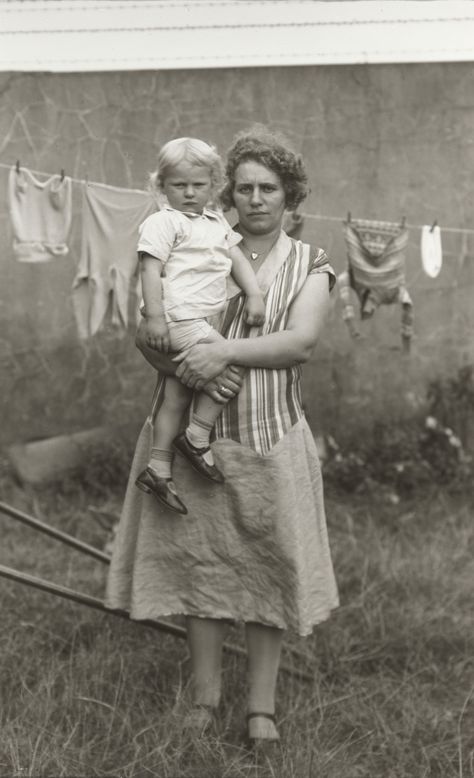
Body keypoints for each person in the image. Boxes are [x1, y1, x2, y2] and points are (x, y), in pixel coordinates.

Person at [106, 126, 339, 747]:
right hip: (190, 437)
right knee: (199, 567)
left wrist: (222, 352)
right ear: (226, 194)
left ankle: (260, 706)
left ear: (291, 194)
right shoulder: (192, 242)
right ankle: (204, 696)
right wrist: (181, 360)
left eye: (269, 188)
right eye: (244, 188)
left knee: (269, 568)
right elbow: (148, 333)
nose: (256, 198)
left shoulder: (311, 262)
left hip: (271, 435)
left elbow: (300, 342)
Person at [135, 137, 265, 515]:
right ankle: (196, 437)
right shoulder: (163, 221)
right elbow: (149, 269)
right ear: (162, 186)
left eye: (199, 185)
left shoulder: (214, 222)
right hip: (178, 317)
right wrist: (155, 317)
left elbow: (235, 256)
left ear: (213, 185)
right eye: (179, 185)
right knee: (230, 360)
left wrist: (253, 294)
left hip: (200, 317)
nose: (190, 193)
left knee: (177, 393)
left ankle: (158, 468)